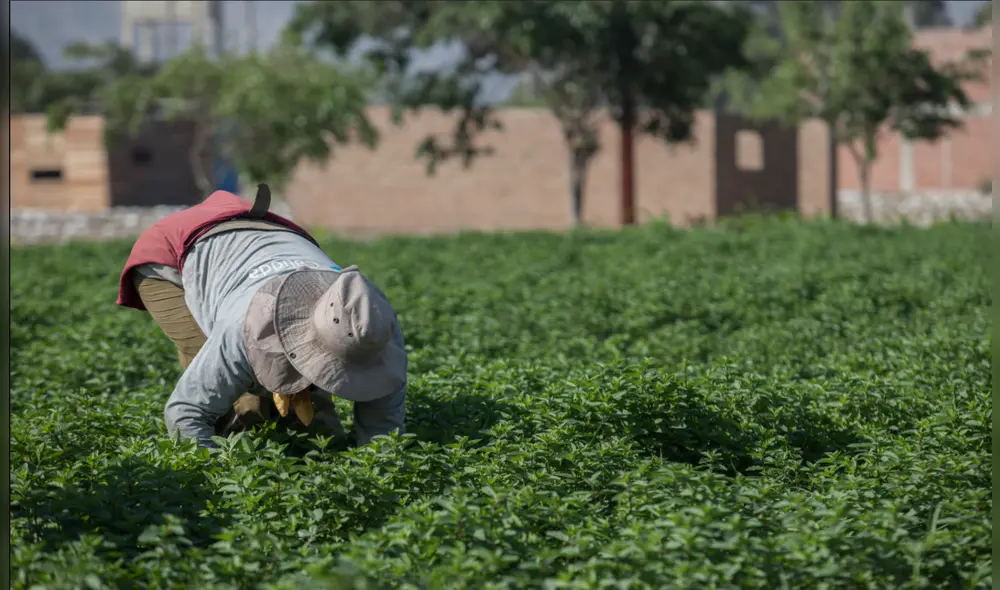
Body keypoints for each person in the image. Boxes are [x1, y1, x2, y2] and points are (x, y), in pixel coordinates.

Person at [116, 185, 407, 448]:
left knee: (316, 416)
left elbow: (382, 430)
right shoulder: (242, 327)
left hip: (266, 238)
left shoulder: (372, 325)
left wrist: (374, 464)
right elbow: (186, 413)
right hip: (173, 253)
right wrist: (215, 473)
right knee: (240, 395)